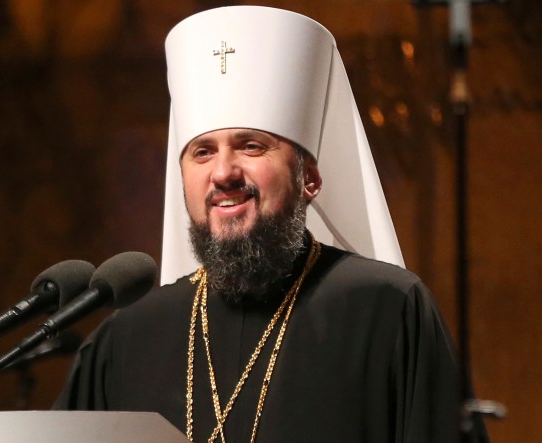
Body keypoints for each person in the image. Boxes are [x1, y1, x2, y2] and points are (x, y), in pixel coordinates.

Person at [55, 6, 489, 443]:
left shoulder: (389, 311)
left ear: (310, 179)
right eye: (202, 152)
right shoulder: (126, 338)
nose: (223, 173)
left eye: (251, 146)